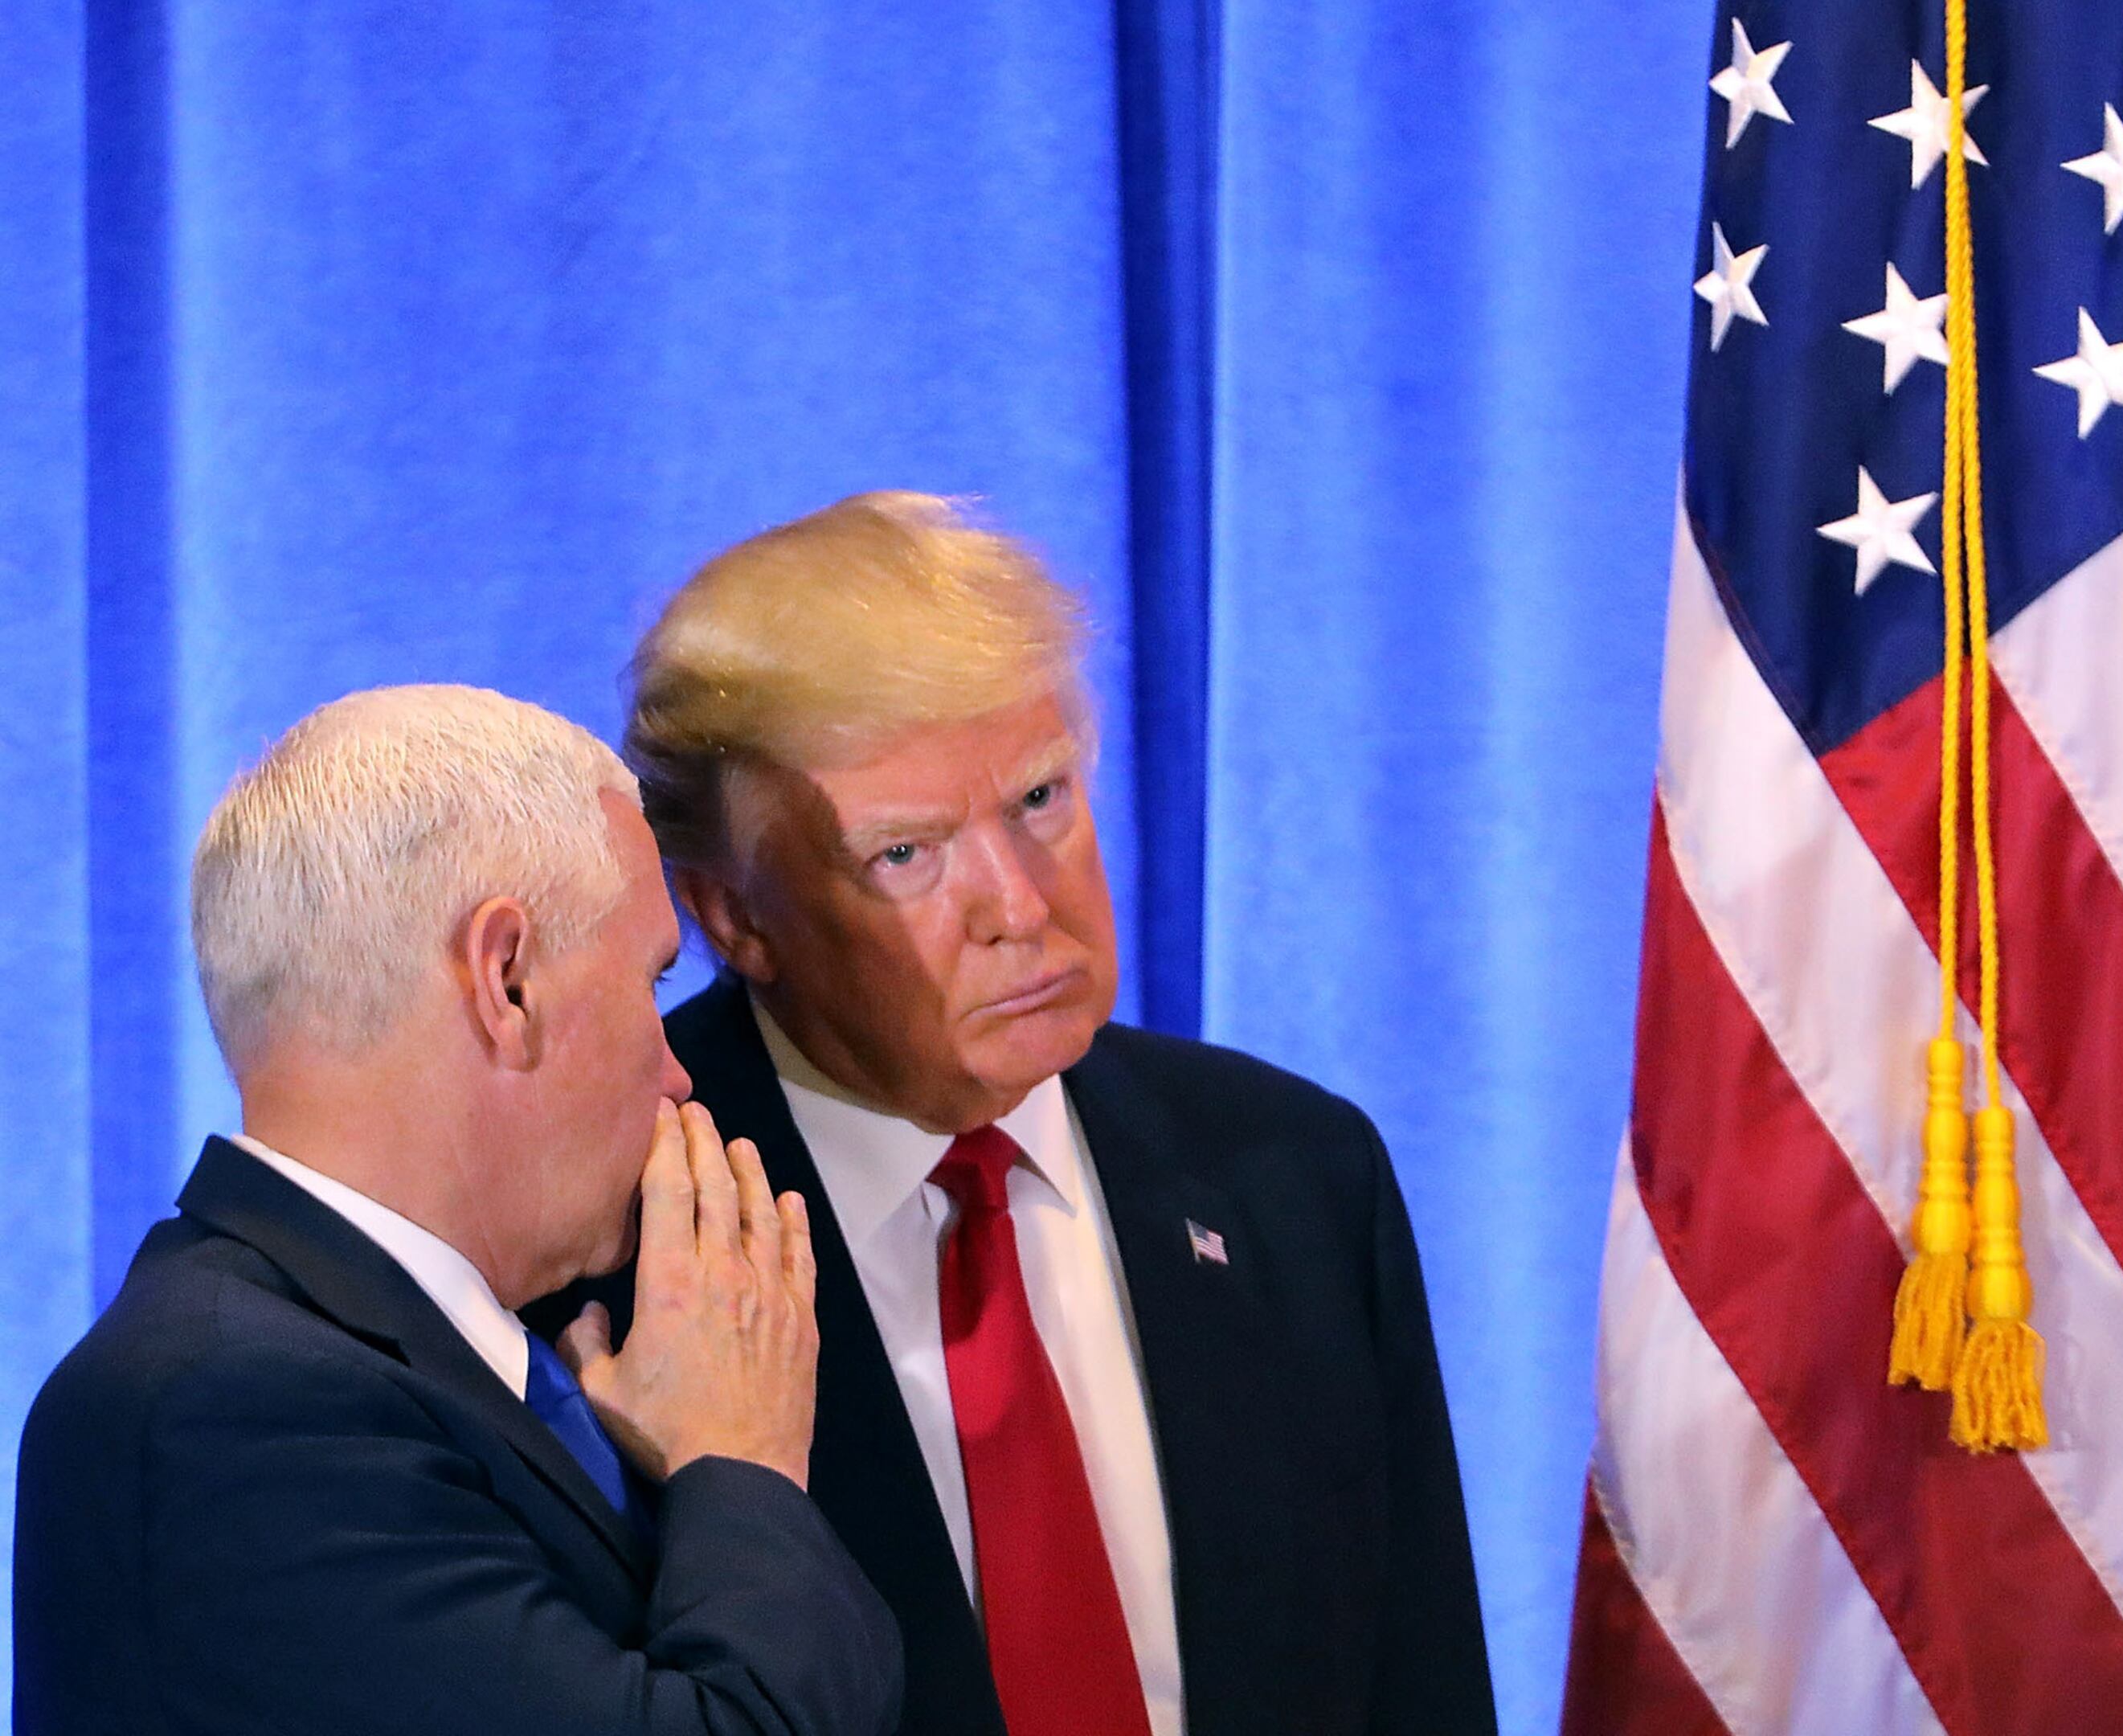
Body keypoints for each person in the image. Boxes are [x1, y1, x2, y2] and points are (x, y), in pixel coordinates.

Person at [563, 492, 1496, 1735]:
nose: (1019, 902)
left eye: (1041, 799)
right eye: (907, 856)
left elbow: (1418, 1692)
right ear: (732, 917)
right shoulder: (599, 1238)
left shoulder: (1294, 1176)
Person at [14, 686, 902, 1736]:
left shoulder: (422, 1359)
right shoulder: (233, 1405)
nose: (676, 1078)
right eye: (653, 986)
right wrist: (742, 1461)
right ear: (507, 979)